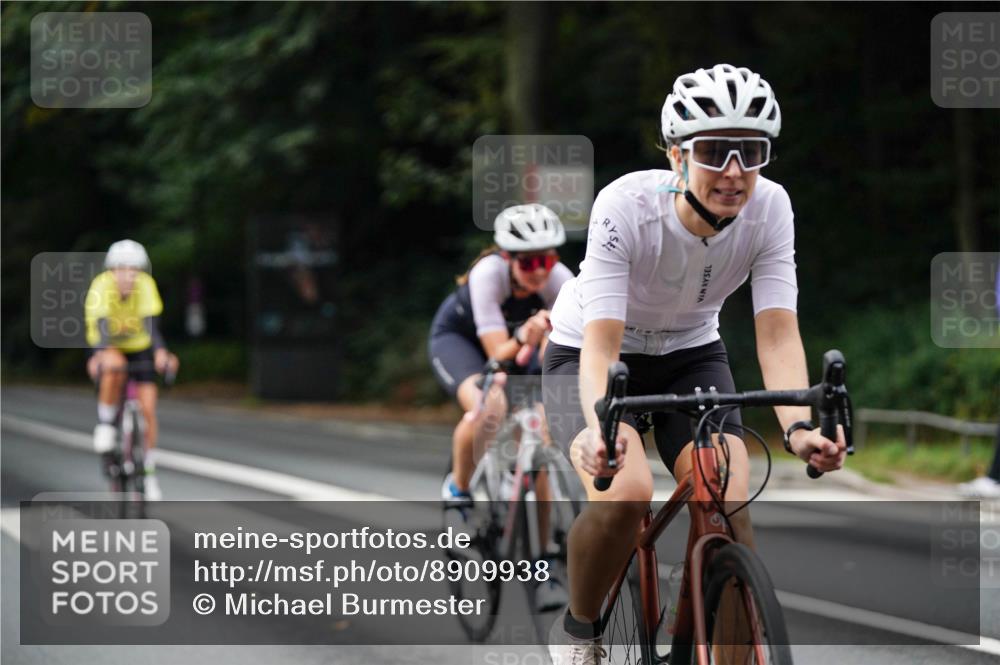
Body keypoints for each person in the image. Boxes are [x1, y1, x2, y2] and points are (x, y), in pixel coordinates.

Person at [542, 64, 847, 663]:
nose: (734, 172)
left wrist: (798, 429)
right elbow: (601, 345)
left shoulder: (771, 208)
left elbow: (777, 334)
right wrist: (600, 430)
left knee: (730, 498)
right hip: (590, 353)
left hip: (690, 354)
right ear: (676, 155)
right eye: (713, 151)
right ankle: (580, 630)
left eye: (750, 152)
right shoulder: (624, 206)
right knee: (626, 492)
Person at [429, 203, 573, 610]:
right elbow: (496, 355)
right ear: (508, 257)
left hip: (519, 351)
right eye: (528, 262)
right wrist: (526, 336)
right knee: (490, 406)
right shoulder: (487, 274)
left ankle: (543, 561)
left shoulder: (561, 281)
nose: (539, 271)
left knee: (539, 442)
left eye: (547, 260)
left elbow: (567, 352)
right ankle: (458, 493)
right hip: (466, 345)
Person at [85, 240, 179, 501]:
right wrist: (101, 356)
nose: (129, 275)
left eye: (134, 269)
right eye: (123, 269)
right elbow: (102, 328)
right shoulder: (101, 286)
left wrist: (161, 353)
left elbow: (151, 327)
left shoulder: (145, 285)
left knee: (148, 409)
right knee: (114, 367)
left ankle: (148, 472)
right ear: (112, 270)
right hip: (108, 344)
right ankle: (106, 424)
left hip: (139, 346)